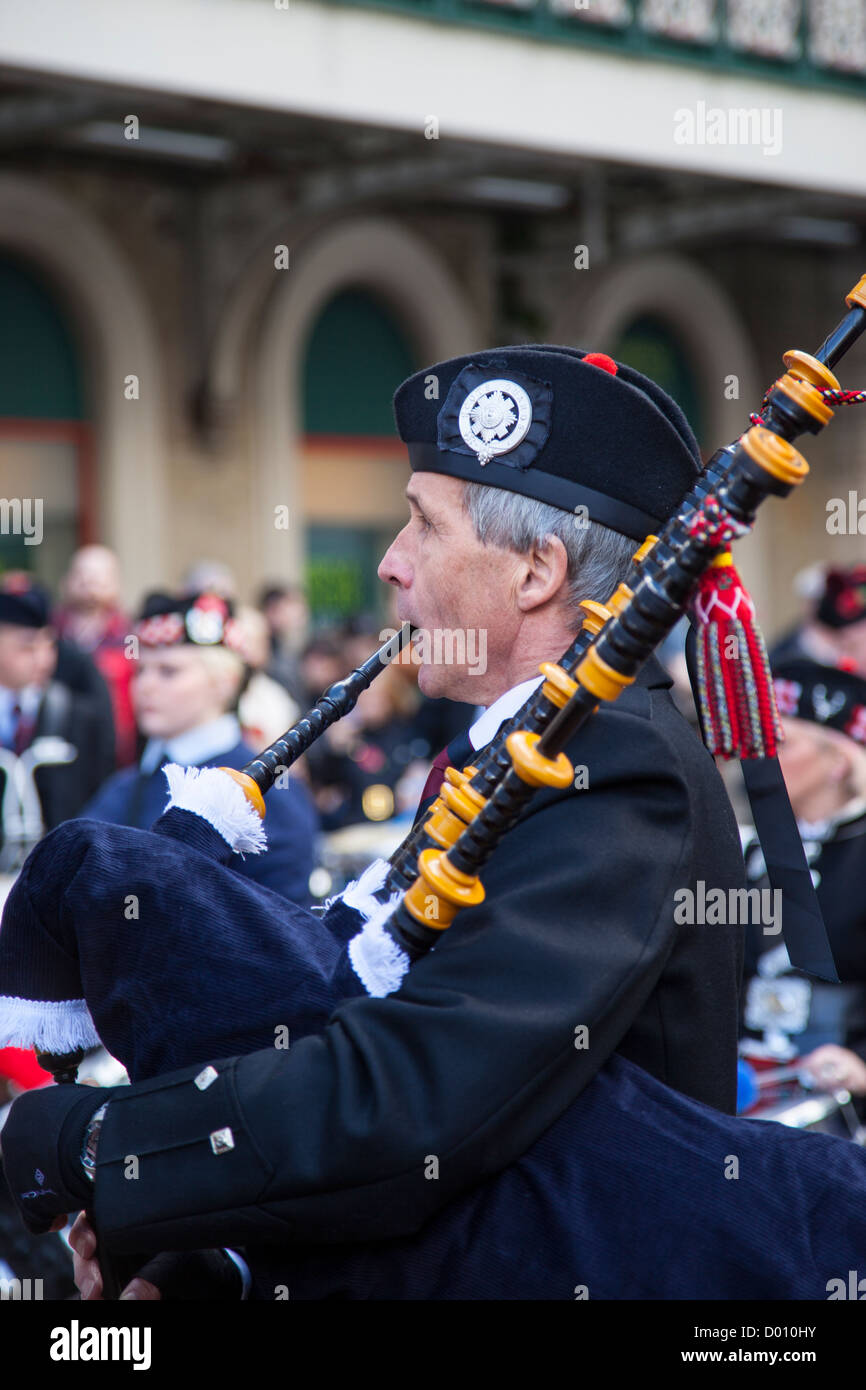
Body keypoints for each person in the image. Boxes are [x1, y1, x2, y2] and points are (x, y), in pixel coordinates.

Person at [3, 347, 767, 1298]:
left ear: (537, 571)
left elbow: (419, 1098)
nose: (390, 562)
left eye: (422, 524)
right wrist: (212, 1256)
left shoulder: (612, 761)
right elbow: (359, 1036)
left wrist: (102, 1145)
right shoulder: (516, 753)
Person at [81, 591, 318, 906]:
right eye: (141, 671)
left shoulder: (266, 789)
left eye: (169, 671)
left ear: (225, 682)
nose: (145, 686)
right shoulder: (128, 783)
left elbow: (281, 924)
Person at [740, 656, 866, 1104]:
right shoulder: (745, 848)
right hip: (744, 1094)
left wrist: (861, 1067)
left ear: (837, 762)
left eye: (782, 743)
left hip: (843, 1107)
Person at [0, 575, 114, 866]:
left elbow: (98, 797)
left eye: (48, 645)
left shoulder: (78, 715)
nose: (42, 659)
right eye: (26, 647)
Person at [53, 545, 136, 767]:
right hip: (58, 749)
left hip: (115, 752)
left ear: (116, 583)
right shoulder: (51, 635)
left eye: (99, 577)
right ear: (67, 580)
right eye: (82, 575)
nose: (89, 583)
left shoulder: (130, 637)